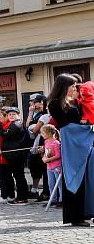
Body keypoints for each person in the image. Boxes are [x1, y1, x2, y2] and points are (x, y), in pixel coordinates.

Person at [47, 73, 91, 226]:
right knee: (73, 178)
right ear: (64, 86)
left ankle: (86, 213)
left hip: (83, 143)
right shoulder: (54, 104)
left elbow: (81, 120)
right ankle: (75, 217)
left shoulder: (76, 102)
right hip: (71, 144)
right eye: (72, 85)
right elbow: (65, 125)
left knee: (85, 178)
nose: (75, 88)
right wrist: (84, 125)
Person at [0, 108, 30, 205]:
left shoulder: (17, 124)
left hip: (17, 156)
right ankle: (20, 196)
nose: (11, 116)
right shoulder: (13, 124)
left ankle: (22, 198)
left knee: (19, 176)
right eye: (9, 114)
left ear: (18, 115)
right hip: (12, 155)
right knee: (17, 176)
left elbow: (5, 134)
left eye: (13, 114)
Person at [25, 94, 50, 200]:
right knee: (35, 168)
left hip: (42, 142)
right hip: (34, 144)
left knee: (44, 169)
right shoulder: (36, 114)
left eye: (35, 102)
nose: (33, 104)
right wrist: (30, 113)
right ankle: (36, 190)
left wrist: (33, 129)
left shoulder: (44, 114)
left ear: (41, 103)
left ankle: (46, 192)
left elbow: (35, 130)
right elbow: (27, 125)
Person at [41, 124, 62, 207]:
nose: (42, 134)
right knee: (51, 184)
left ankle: (61, 200)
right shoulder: (46, 142)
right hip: (49, 167)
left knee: (59, 184)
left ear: (49, 133)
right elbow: (46, 153)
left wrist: (48, 159)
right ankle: (53, 199)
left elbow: (58, 155)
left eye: (43, 133)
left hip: (56, 166)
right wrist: (44, 157)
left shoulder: (56, 143)